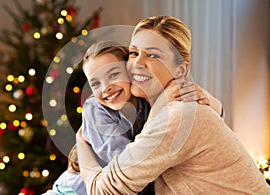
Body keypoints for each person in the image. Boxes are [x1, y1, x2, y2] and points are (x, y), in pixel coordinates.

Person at [76, 15, 270, 194]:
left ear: (180, 70)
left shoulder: (177, 116)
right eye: (134, 53)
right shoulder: (161, 107)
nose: (137, 64)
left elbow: (104, 191)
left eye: (153, 55)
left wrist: (81, 143)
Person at [46, 40, 223, 194]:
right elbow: (130, 168)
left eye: (113, 75)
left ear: (131, 72)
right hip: (74, 191)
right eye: (95, 83)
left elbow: (209, 123)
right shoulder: (95, 109)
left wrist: (209, 100)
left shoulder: (146, 98)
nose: (106, 87)